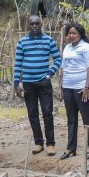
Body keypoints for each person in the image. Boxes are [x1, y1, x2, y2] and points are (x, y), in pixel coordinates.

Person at [14, 15, 61, 156]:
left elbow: (58, 59)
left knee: (47, 113)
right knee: (32, 114)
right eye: (32, 24)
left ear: (41, 24)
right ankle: (38, 142)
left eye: (37, 23)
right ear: (28, 25)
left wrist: (50, 74)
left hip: (44, 83)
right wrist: (17, 83)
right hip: (28, 83)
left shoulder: (49, 40)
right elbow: (18, 64)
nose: (34, 26)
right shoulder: (22, 42)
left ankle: (51, 143)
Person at [59, 23, 89, 159]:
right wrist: (61, 85)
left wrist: (87, 86)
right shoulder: (67, 48)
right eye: (69, 33)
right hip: (68, 86)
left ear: (80, 34)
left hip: (82, 87)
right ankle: (71, 148)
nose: (71, 36)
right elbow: (63, 68)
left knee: (86, 116)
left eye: (74, 33)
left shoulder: (86, 48)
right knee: (71, 118)